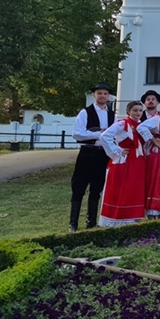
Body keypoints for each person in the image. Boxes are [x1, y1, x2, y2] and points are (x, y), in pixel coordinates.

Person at [70, 82, 116, 231]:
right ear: (94, 95)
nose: (102, 96)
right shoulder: (85, 112)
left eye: (105, 94)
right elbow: (77, 133)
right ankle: (73, 223)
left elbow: (114, 135)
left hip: (102, 154)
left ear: (108, 96)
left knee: (97, 188)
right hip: (87, 153)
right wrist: (99, 134)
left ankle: (91, 222)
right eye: (99, 93)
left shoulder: (111, 115)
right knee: (79, 187)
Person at [97, 100, 146, 227]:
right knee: (122, 188)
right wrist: (117, 150)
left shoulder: (141, 125)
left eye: (140, 110)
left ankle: (134, 216)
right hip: (125, 161)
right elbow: (104, 136)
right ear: (128, 111)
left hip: (138, 161)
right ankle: (118, 219)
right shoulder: (122, 124)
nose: (138, 113)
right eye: (135, 110)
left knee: (134, 189)